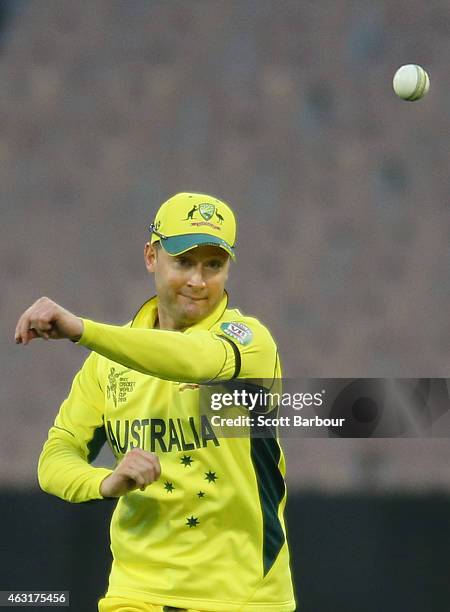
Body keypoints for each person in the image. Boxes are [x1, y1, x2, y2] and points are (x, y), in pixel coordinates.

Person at [15, 192, 295, 612]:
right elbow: (56, 457)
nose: (198, 281)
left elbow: (191, 359)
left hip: (241, 597)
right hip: (135, 594)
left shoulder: (250, 341)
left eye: (213, 265)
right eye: (183, 262)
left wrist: (82, 330)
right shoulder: (106, 366)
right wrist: (105, 483)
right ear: (151, 257)